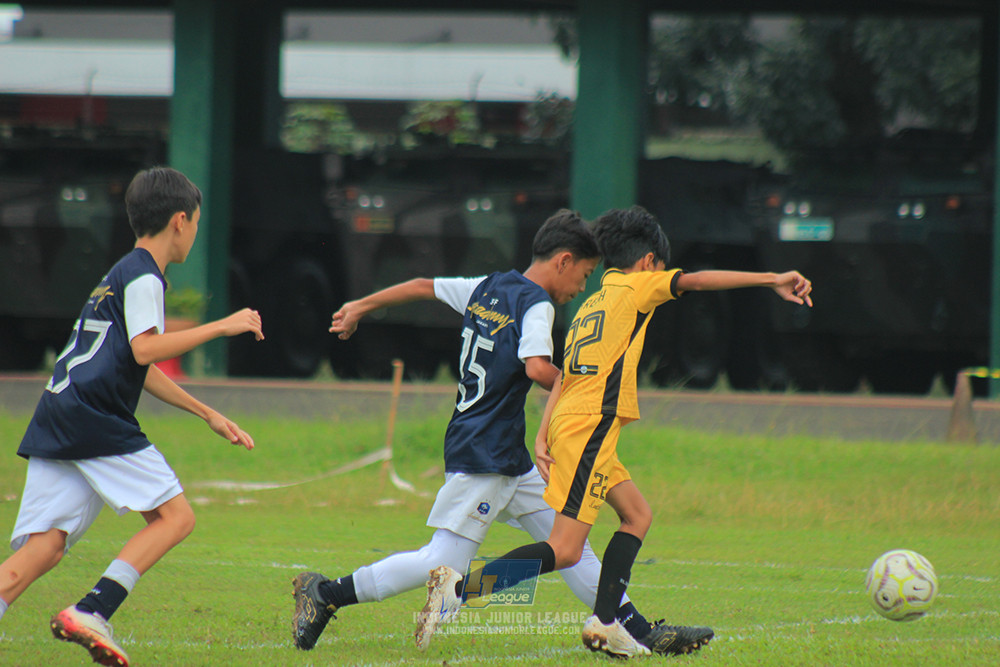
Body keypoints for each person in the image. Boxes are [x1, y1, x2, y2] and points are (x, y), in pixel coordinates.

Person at [416, 205, 814, 658]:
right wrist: (772, 279)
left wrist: (543, 436)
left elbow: (566, 375)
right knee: (565, 550)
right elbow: (698, 281)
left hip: (579, 423)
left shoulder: (594, 300)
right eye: (661, 270)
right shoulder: (638, 285)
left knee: (637, 515)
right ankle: (458, 590)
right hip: (592, 426)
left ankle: (608, 622)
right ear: (648, 262)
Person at [292, 210, 682, 655]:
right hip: (486, 456)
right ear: (563, 261)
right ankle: (326, 593)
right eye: (584, 274)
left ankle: (634, 629)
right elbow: (537, 366)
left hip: (504, 454)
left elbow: (422, 286)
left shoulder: (486, 286)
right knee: (441, 562)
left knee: (571, 547)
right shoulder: (537, 303)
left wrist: (363, 304)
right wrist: (581, 384)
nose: (580, 288)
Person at [0, 167, 265, 667]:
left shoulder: (120, 273)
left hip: (60, 413)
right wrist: (222, 326)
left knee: (44, 550)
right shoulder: (144, 274)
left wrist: (206, 412)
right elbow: (146, 351)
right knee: (175, 516)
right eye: (197, 224)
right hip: (92, 416)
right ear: (181, 221)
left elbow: (133, 363)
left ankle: (87, 610)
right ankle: (92, 610)